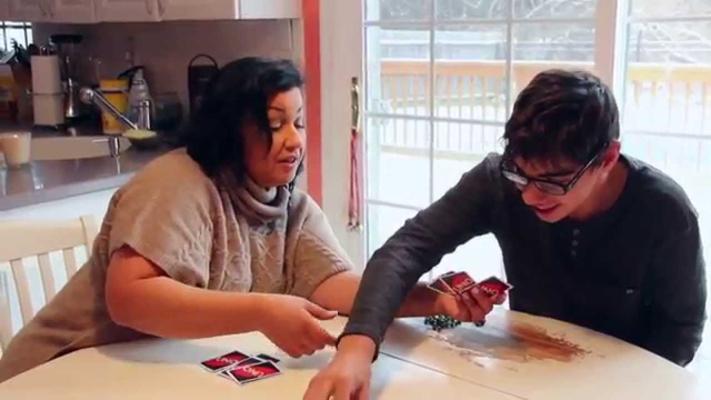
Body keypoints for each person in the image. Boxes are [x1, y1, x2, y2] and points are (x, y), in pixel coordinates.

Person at [0, 57, 488, 384]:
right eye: (275, 125)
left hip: (148, 375)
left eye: (298, 122)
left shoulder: (291, 204)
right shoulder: (178, 182)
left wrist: (434, 299)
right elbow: (129, 299)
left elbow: (335, 287)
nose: (295, 140)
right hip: (53, 376)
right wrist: (262, 311)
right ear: (231, 130)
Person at [305, 69, 707, 400]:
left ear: (607, 158)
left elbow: (681, 330)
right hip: (525, 372)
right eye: (520, 174)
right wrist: (355, 349)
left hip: (619, 384)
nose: (530, 195)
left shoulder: (665, 211)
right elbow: (405, 251)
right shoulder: (497, 181)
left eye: (552, 182)